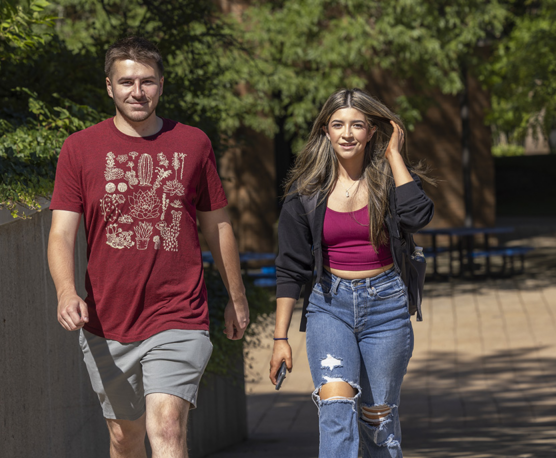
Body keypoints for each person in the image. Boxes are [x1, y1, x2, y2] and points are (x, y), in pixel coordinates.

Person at [47, 36, 250, 458]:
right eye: (126, 82)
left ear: (161, 85)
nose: (137, 92)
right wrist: (67, 291)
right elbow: (62, 233)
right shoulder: (79, 149)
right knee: (126, 438)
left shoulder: (194, 143)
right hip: (108, 318)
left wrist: (237, 296)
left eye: (147, 82)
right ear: (109, 87)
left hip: (178, 311)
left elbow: (218, 226)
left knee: (168, 427)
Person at [269, 88, 433, 457]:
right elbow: (290, 268)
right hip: (330, 306)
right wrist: (280, 339)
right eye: (338, 125)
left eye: (357, 125)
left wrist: (394, 156)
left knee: (378, 422)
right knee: (335, 410)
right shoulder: (305, 194)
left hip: (386, 307)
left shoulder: (390, 182)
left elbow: (416, 216)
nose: (347, 134)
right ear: (325, 131)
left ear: (372, 131)